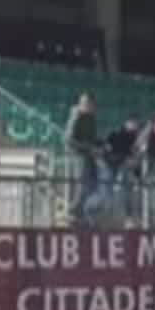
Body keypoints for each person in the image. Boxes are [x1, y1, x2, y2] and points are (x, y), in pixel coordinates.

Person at [66, 93, 100, 227]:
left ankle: (83, 212)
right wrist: (88, 147)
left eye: (92, 105)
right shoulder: (76, 116)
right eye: (88, 105)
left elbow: (92, 137)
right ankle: (74, 212)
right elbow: (69, 140)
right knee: (82, 182)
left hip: (89, 154)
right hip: (78, 154)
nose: (91, 108)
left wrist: (99, 145)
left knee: (94, 182)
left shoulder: (91, 118)